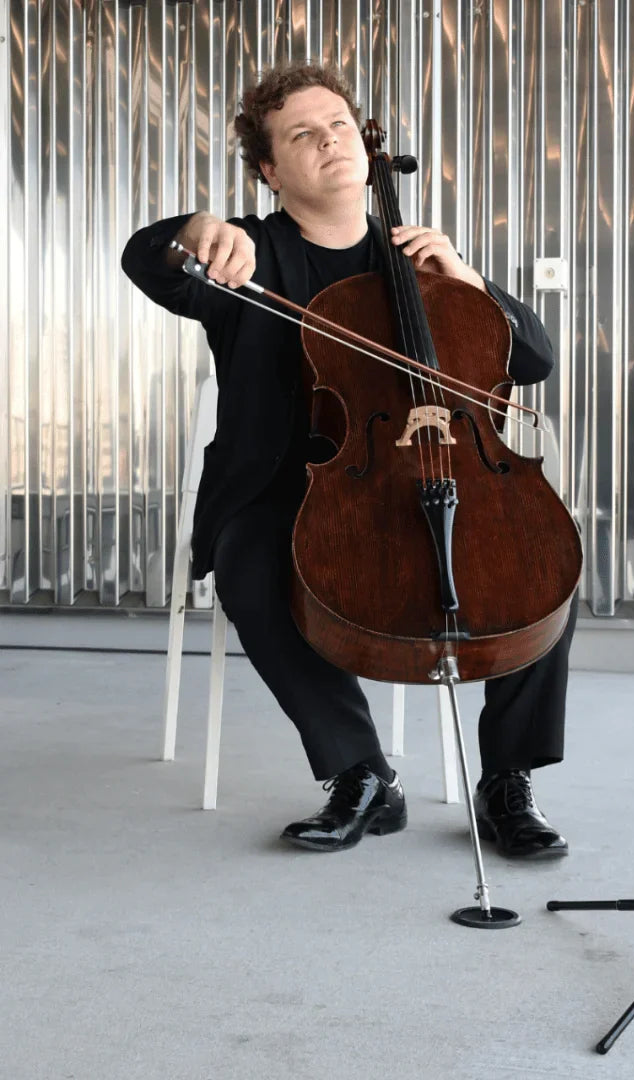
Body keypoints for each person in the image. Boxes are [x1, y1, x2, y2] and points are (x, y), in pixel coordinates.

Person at [122, 62, 575, 859]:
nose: (330, 141)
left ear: (366, 149)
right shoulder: (247, 256)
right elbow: (143, 259)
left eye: (338, 125)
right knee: (249, 563)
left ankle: (508, 781)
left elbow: (531, 360)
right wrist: (194, 230)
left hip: (424, 470)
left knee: (538, 556)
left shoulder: (419, 259)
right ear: (269, 171)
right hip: (285, 487)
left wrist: (468, 280)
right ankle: (361, 773)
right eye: (303, 134)